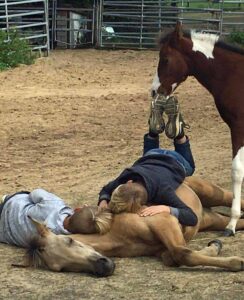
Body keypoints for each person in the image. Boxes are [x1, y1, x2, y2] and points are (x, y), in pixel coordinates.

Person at [98, 95, 198, 226]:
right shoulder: (128, 174)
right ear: (128, 183)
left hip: (176, 161)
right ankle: (153, 133)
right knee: (146, 158)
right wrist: (104, 200)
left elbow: (192, 218)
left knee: (190, 167)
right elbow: (106, 190)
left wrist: (166, 208)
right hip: (152, 155)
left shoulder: (162, 191)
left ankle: (179, 136)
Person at [0, 189, 102, 248]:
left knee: (24, 195)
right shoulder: (59, 241)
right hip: (4, 234)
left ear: (77, 209)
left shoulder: (54, 204)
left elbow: (35, 193)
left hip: (9, 207)